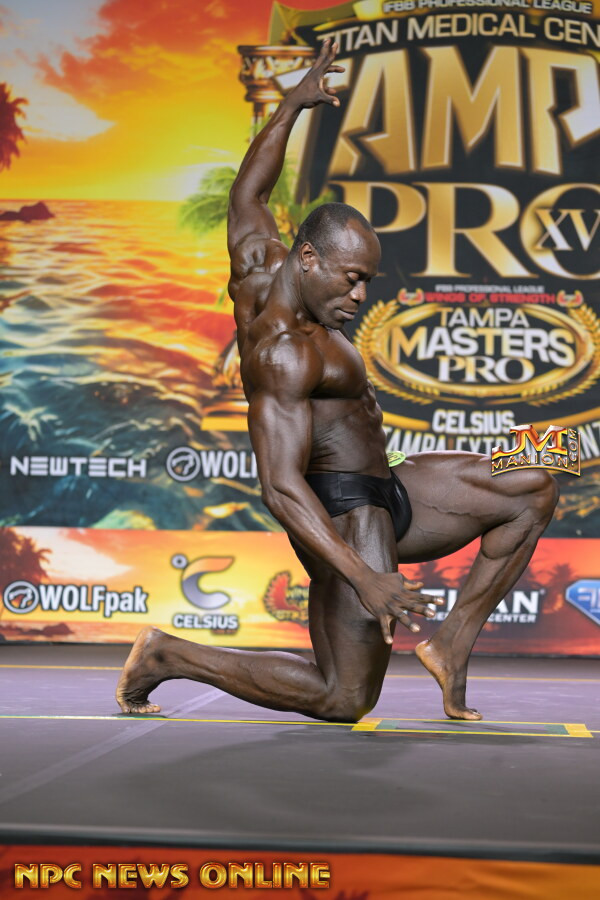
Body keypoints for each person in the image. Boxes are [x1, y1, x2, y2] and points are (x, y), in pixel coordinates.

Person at [117, 40, 558, 722]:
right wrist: (366, 578)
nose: (359, 296)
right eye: (351, 279)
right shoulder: (284, 354)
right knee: (345, 696)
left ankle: (450, 646)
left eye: (366, 281)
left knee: (534, 483)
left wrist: (292, 105)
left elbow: (248, 191)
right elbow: (280, 486)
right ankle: (167, 655)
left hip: (390, 481)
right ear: (309, 258)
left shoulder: (259, 262)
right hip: (349, 520)